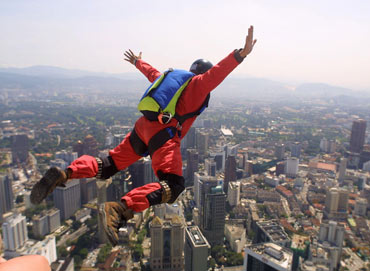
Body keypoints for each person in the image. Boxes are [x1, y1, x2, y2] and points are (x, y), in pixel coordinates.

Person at [30, 26, 256, 246]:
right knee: (173, 186)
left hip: (143, 126)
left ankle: (64, 173)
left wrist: (138, 62)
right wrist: (240, 55)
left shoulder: (174, 81)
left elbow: (153, 74)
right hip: (164, 134)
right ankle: (120, 208)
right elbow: (218, 73)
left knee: (108, 164)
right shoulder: (198, 85)